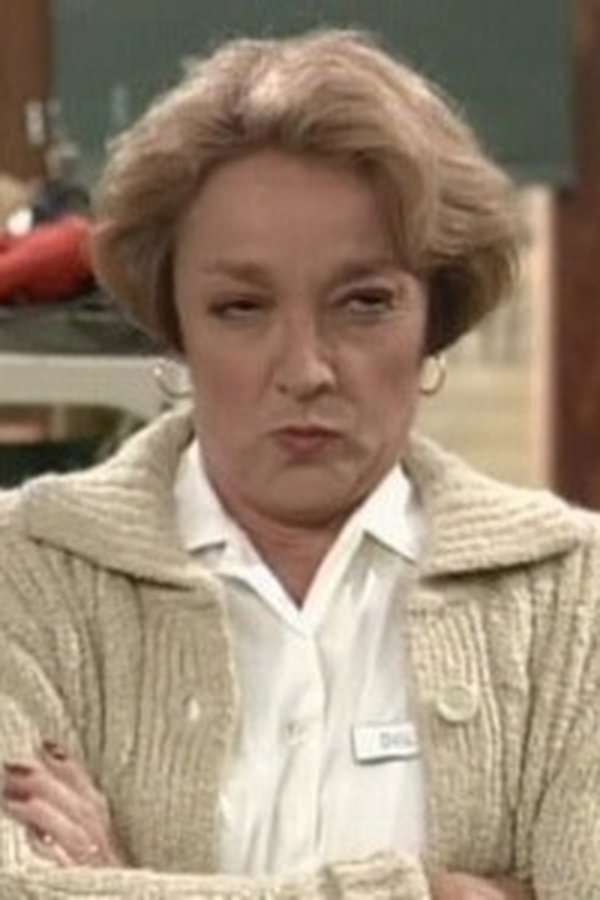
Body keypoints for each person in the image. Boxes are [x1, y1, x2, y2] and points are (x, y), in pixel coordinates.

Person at [0, 28, 599, 900]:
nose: (306, 369)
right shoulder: (23, 573)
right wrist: (434, 892)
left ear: (434, 317)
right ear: (174, 323)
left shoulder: (574, 598)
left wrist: (120, 883)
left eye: (364, 303)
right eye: (242, 307)